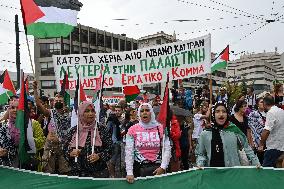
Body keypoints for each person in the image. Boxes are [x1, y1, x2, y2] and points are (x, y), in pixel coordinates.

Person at [195, 101, 260, 167]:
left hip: (233, 174)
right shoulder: (205, 134)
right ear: (213, 114)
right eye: (217, 111)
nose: (221, 114)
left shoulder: (234, 131)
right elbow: (201, 154)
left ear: (227, 114)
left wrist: (256, 163)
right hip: (212, 174)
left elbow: (247, 148)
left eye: (224, 111)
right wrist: (200, 164)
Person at [125, 103, 171, 183]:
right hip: (139, 169)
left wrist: (163, 167)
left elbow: (167, 149)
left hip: (158, 169)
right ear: (139, 114)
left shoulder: (161, 128)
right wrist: (129, 172)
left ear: (151, 112)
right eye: (142, 111)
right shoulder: (132, 130)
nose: (144, 112)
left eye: (147, 110)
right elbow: (129, 152)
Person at [67, 101, 112, 177]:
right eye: (87, 111)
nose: (91, 114)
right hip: (77, 174)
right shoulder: (74, 130)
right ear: (81, 113)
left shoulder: (102, 129)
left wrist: (99, 156)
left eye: (92, 111)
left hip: (98, 173)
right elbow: (64, 148)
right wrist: (70, 153)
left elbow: (110, 148)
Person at [34, 81, 70, 174]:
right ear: (53, 102)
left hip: (64, 146)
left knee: (64, 171)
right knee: (48, 170)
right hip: (50, 145)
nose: (58, 102)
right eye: (56, 100)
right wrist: (34, 89)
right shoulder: (50, 112)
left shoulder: (69, 115)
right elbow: (38, 105)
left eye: (60, 101)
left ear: (64, 103)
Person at [259, 96, 284, 167]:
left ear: (264, 104)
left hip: (273, 148)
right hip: (282, 147)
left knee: (267, 172)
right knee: (278, 173)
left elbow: (266, 131)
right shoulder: (282, 111)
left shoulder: (271, 112)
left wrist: (261, 145)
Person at [248, 97, 266, 164]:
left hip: (269, 142)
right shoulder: (253, 114)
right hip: (258, 142)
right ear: (257, 104)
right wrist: (255, 143)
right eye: (261, 102)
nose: (263, 103)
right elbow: (252, 129)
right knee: (259, 162)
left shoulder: (269, 113)